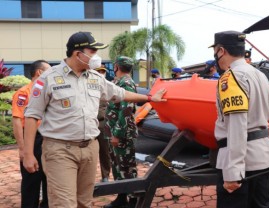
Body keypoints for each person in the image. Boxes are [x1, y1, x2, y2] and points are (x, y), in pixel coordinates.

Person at [22, 31, 167, 208]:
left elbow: (121, 94)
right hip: (60, 150)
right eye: (92, 51)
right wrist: (28, 154)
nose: (95, 56)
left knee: (85, 202)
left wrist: (151, 98)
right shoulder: (48, 78)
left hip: (90, 149)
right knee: (63, 204)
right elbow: (31, 115)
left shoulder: (95, 78)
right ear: (78, 53)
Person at [209, 30, 269, 208]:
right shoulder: (260, 75)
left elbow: (237, 127)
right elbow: (268, 114)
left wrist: (233, 172)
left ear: (221, 50)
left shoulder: (231, 78)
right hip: (263, 157)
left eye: (215, 51)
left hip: (242, 166)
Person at [12, 60, 50, 208]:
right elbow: (17, 121)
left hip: (49, 138)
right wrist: (22, 149)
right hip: (32, 139)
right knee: (31, 179)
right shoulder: (23, 93)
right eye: (49, 69)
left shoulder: (48, 91)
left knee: (49, 178)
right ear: (39, 72)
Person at [103, 56, 138, 208]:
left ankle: (133, 200)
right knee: (118, 166)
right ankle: (122, 197)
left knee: (127, 167)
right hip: (114, 132)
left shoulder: (126, 83)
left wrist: (117, 134)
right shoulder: (118, 82)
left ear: (116, 66)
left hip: (122, 134)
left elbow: (126, 110)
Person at [95, 65, 111, 182]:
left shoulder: (108, 87)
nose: (101, 73)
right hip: (88, 124)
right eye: (98, 71)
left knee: (105, 152)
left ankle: (105, 176)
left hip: (102, 124)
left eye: (102, 72)